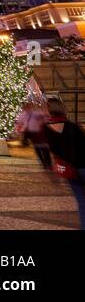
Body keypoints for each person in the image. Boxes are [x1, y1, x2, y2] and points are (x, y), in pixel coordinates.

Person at [42, 97, 85, 229]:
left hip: (69, 169)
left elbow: (52, 149)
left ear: (49, 111)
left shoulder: (46, 129)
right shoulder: (73, 126)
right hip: (83, 165)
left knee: (81, 201)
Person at [15, 99, 51, 169]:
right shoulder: (23, 115)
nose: (26, 107)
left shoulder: (35, 113)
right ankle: (44, 163)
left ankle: (48, 163)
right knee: (37, 148)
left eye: (27, 106)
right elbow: (18, 123)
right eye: (25, 106)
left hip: (38, 133)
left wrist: (44, 119)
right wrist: (19, 131)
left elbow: (45, 117)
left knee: (44, 148)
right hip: (31, 133)